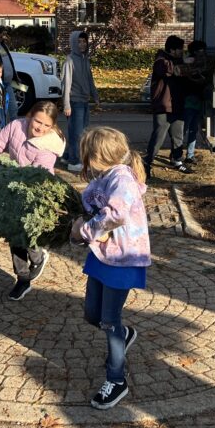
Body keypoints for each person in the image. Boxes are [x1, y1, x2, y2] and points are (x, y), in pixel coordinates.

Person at [70, 126, 150, 410]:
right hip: (102, 256)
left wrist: (86, 230)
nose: (84, 161)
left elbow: (116, 213)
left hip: (123, 258)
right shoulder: (105, 175)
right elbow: (92, 203)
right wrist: (83, 221)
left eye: (86, 156)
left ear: (98, 156)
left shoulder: (122, 180)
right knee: (92, 313)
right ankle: (124, 334)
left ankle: (116, 381)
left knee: (108, 320)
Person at [0, 100, 66, 301]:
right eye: (38, 122)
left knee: (25, 233)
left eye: (46, 125)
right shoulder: (15, 127)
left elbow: (38, 175)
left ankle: (37, 256)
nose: (40, 128)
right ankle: (22, 278)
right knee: (14, 234)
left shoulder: (49, 146)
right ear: (30, 116)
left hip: (36, 193)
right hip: (12, 187)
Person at [144, 35, 188, 178]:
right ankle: (147, 162)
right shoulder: (160, 60)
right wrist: (184, 63)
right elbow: (167, 69)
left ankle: (177, 159)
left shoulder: (178, 60)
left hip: (177, 105)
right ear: (172, 50)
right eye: (180, 49)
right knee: (158, 136)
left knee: (178, 136)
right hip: (163, 106)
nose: (182, 51)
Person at [59, 29, 100, 173]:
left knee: (79, 132)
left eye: (84, 41)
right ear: (73, 43)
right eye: (79, 41)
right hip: (74, 102)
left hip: (84, 101)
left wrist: (95, 95)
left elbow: (89, 79)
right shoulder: (70, 60)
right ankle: (74, 161)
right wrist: (66, 104)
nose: (82, 44)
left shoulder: (85, 59)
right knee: (77, 133)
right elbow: (66, 84)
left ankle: (67, 156)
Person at [182, 40, 212, 165]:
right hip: (192, 98)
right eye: (201, 50)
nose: (203, 52)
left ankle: (184, 154)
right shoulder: (197, 62)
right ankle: (187, 154)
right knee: (189, 128)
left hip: (191, 98)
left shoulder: (189, 61)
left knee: (188, 128)